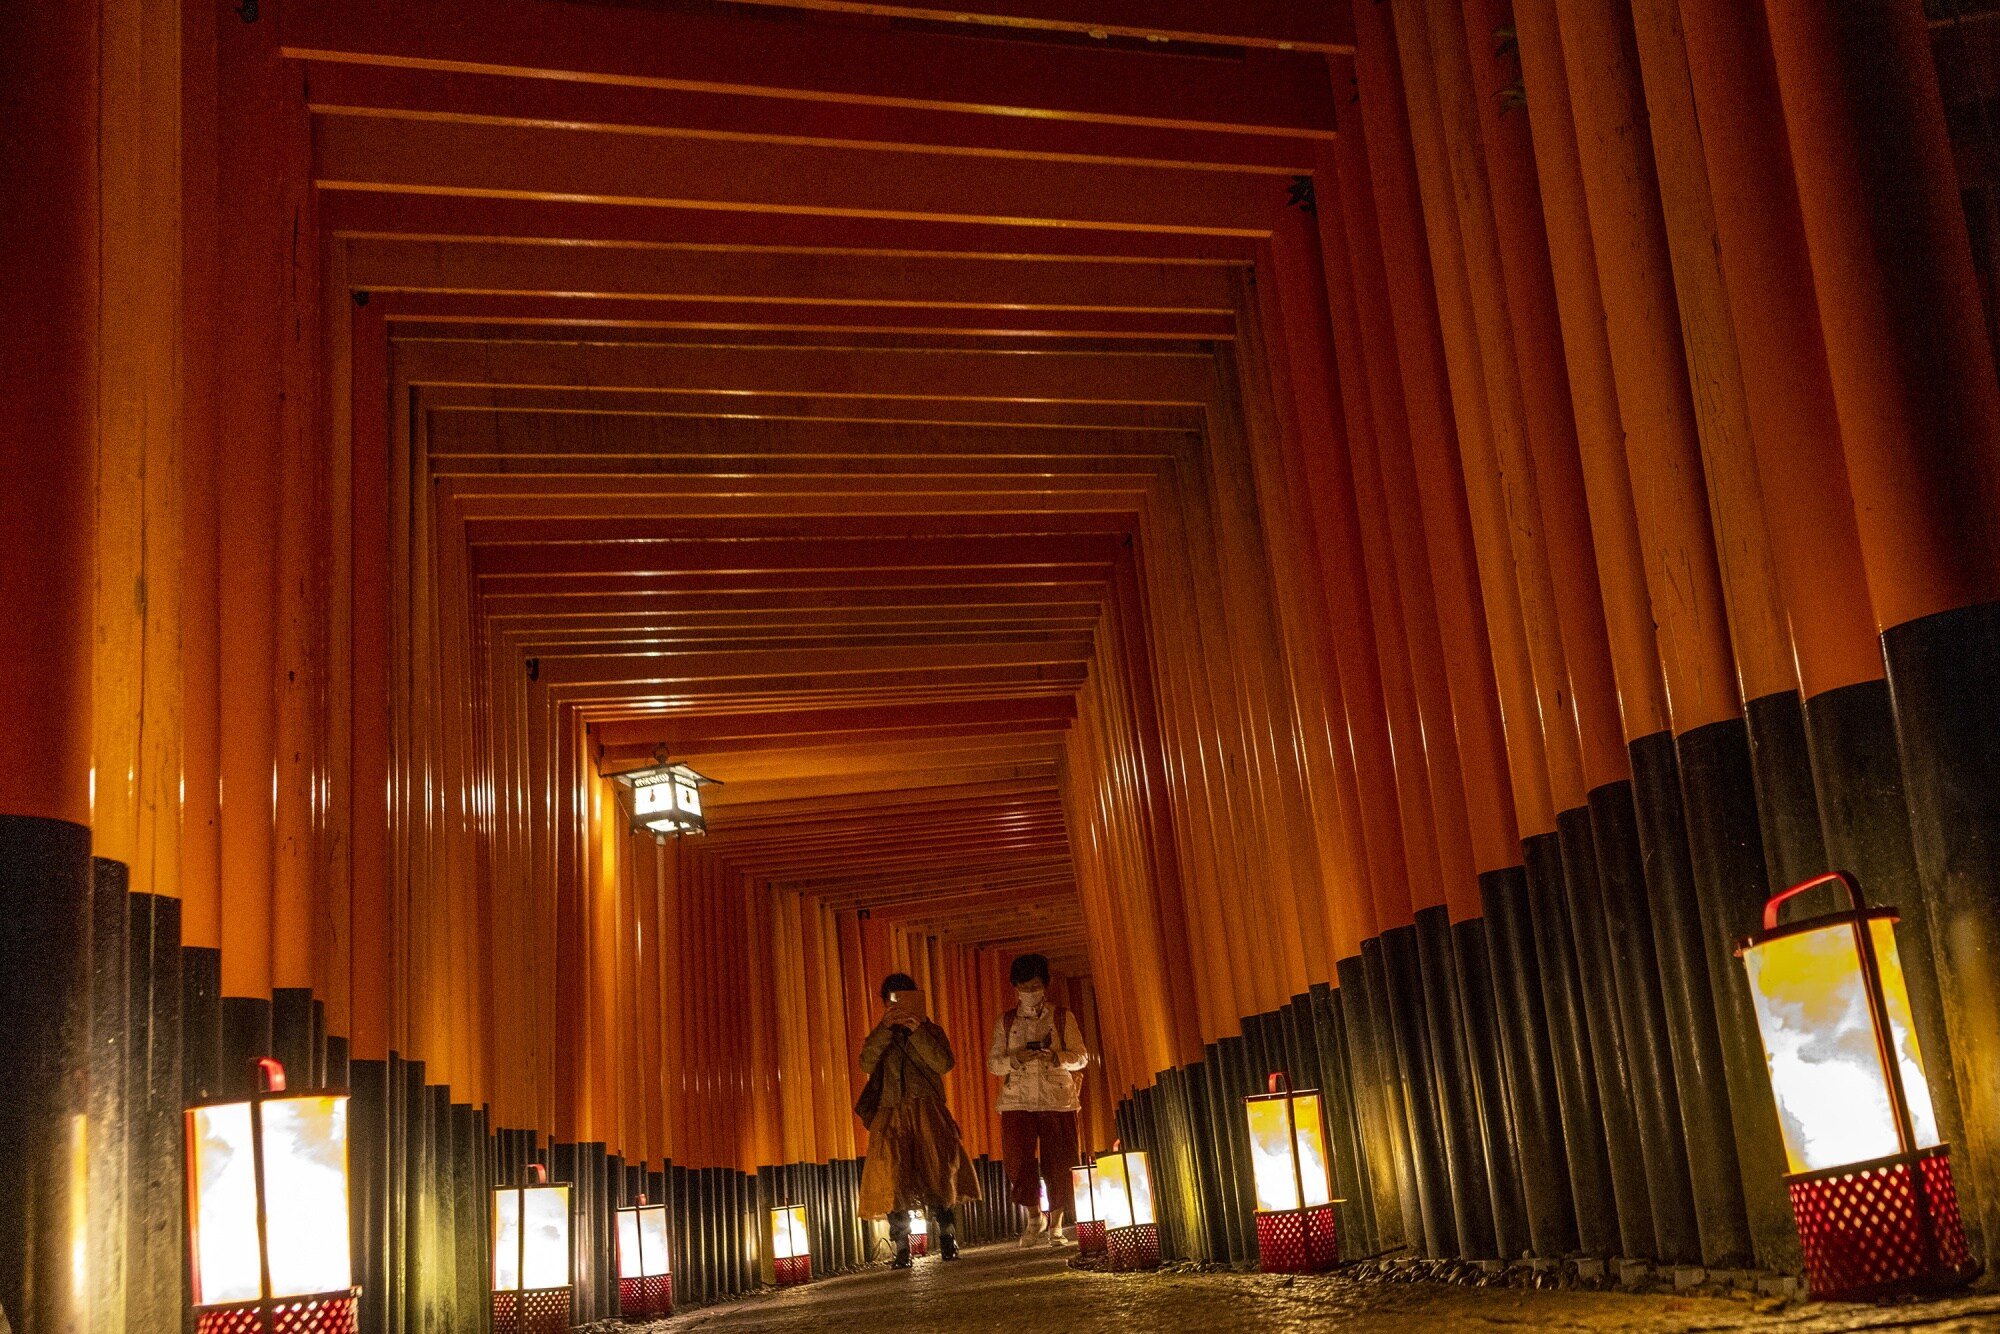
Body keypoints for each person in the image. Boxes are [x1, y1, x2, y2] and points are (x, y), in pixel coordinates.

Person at [857, 972, 982, 1268]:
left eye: (904, 999)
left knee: (937, 1171)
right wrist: (885, 1030)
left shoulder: (930, 1030)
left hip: (927, 1110)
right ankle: (902, 1246)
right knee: (892, 1178)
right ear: (884, 1003)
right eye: (891, 1000)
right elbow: (866, 1062)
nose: (897, 1005)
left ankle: (948, 1236)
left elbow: (944, 1063)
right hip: (891, 1111)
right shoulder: (882, 1032)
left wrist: (918, 1030)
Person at [986, 953, 1090, 1246]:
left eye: (1034, 986)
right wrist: (1016, 1059)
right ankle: (1034, 1217)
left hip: (1057, 1097)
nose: (1029, 993)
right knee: (1017, 1160)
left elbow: (1080, 1056)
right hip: (1017, 1099)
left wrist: (1055, 1056)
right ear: (1015, 988)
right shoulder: (1006, 1021)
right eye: (1023, 987)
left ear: (1045, 985)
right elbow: (993, 1063)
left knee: (1061, 1160)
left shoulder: (1061, 1016)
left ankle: (1056, 1225)